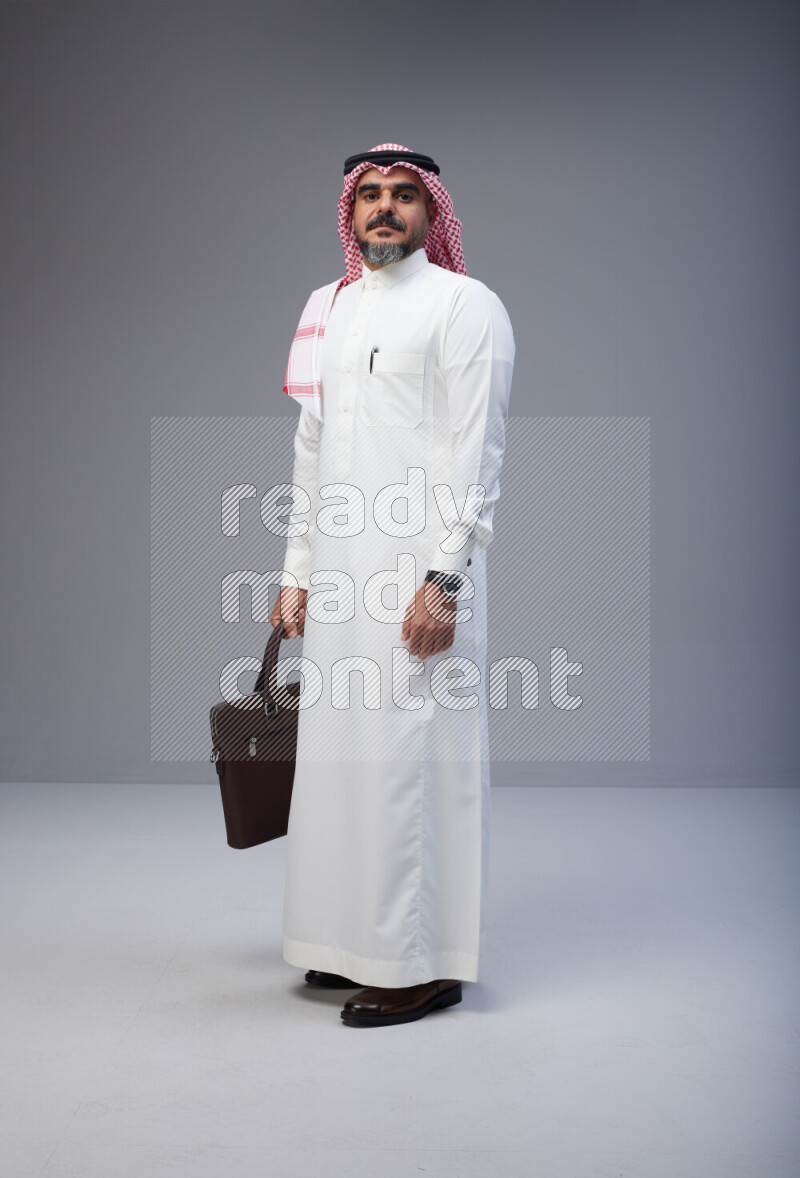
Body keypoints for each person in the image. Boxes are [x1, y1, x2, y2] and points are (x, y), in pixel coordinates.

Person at [269, 143, 515, 1027]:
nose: (384, 209)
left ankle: (419, 962)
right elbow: (310, 448)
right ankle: (349, 945)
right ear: (350, 209)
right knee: (343, 767)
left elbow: (477, 453)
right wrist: (297, 573)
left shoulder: (465, 307)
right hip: (339, 578)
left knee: (412, 761)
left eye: (403, 195)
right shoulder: (325, 307)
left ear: (429, 210)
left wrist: (445, 578)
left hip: (418, 574)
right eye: (369, 194)